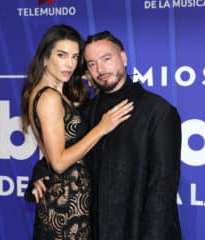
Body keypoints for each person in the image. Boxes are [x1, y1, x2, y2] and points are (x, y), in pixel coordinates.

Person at [27, 30, 182, 239]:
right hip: (92, 229)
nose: (100, 68)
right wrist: (41, 172)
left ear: (124, 58)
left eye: (106, 58)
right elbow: (66, 153)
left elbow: (162, 193)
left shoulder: (158, 112)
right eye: (91, 63)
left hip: (135, 230)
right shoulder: (87, 111)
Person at [21, 25, 134, 240]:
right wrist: (102, 128)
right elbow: (59, 162)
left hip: (72, 202)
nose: (70, 64)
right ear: (45, 58)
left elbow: (56, 151)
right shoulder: (49, 98)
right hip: (65, 209)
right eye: (61, 55)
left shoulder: (58, 95)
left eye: (74, 57)